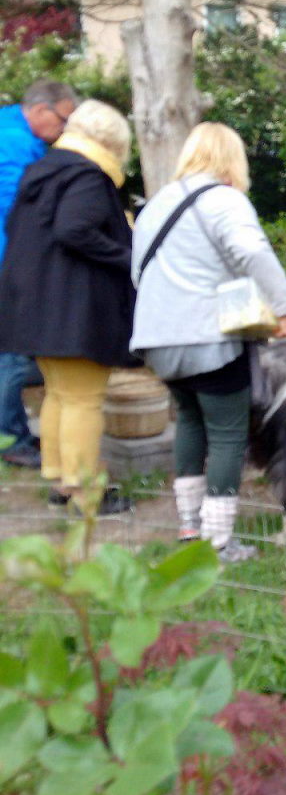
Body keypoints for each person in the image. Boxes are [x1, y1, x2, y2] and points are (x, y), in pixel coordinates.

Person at [131, 123, 286, 562]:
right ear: (233, 159)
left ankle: (190, 525)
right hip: (207, 336)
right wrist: (285, 308)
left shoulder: (157, 204)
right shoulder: (223, 199)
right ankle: (219, 541)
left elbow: (137, 271)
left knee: (189, 422)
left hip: (157, 337)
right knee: (228, 434)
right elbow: (251, 252)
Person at [0, 99, 135, 515]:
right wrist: (128, 258)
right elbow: (75, 228)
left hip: (37, 307)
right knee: (82, 400)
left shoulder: (43, 171)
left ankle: (59, 480)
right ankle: (84, 491)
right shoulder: (88, 177)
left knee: (59, 395)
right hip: (74, 310)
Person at [0, 80, 78, 469]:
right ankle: (11, 439)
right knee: (12, 357)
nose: (63, 129)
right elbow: (23, 211)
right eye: (63, 120)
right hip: (7, 264)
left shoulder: (10, 130)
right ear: (42, 110)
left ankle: (14, 431)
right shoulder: (14, 143)